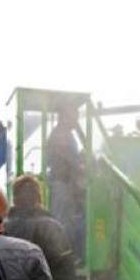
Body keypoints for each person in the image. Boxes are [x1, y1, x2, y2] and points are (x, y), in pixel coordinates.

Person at [45, 106, 86, 258]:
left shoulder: (65, 134)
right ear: (64, 117)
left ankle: (68, 255)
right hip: (61, 182)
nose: (76, 120)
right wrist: (81, 167)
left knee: (69, 220)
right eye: (74, 116)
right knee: (63, 222)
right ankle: (64, 257)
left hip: (64, 183)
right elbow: (69, 159)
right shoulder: (61, 135)